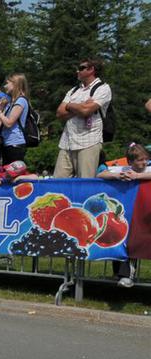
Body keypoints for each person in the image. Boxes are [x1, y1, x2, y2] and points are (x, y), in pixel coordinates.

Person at [98, 143, 150, 288]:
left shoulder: (148, 169)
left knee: (134, 243)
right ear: (130, 162)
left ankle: (126, 275)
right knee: (119, 241)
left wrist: (138, 176)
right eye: (140, 160)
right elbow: (100, 174)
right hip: (123, 214)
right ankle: (121, 274)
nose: (144, 163)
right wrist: (117, 175)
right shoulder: (123, 169)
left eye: (145, 159)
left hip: (143, 214)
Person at [54, 59, 112, 178]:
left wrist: (69, 105)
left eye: (81, 68)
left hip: (89, 142)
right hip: (67, 143)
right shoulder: (74, 90)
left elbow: (85, 111)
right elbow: (59, 113)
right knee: (58, 184)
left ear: (91, 70)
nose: (77, 71)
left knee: (85, 183)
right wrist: (80, 107)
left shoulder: (103, 88)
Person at [0, 73, 31, 165]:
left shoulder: (21, 101)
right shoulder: (9, 103)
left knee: (13, 175)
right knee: (7, 175)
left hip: (15, 144)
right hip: (6, 144)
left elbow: (9, 123)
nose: (5, 86)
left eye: (7, 83)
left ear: (15, 84)